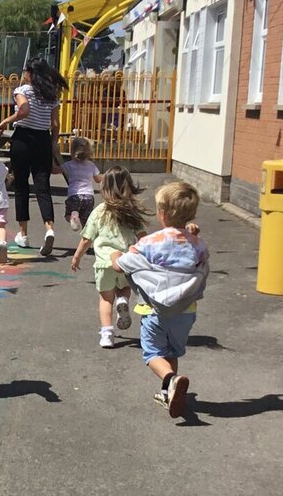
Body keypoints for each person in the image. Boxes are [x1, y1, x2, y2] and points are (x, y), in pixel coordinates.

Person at [111, 181, 209, 418]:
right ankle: (168, 392)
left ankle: (170, 379)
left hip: (153, 310)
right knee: (172, 352)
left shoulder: (150, 243)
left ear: (162, 214)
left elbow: (120, 265)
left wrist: (114, 255)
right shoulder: (198, 244)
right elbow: (200, 259)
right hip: (185, 310)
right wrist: (191, 234)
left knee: (153, 354)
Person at [0, 58, 68, 258]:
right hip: (43, 141)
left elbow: (24, 110)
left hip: (23, 140)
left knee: (21, 186)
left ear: (29, 73)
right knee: (43, 186)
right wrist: (52, 145)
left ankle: (24, 234)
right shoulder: (51, 95)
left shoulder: (22, 91)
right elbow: (55, 124)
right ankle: (49, 229)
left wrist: (6, 121)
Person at [70, 167, 147, 349]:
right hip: (126, 262)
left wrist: (76, 257)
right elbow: (143, 237)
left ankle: (107, 334)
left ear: (105, 188)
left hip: (104, 264)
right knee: (124, 288)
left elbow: (86, 238)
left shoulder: (99, 212)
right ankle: (123, 300)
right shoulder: (131, 212)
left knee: (105, 300)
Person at [61, 136, 101, 232]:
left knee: (68, 215)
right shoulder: (91, 165)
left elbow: (54, 170)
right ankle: (87, 240)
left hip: (74, 195)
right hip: (89, 196)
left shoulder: (69, 165)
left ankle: (74, 215)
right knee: (86, 221)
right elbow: (98, 179)